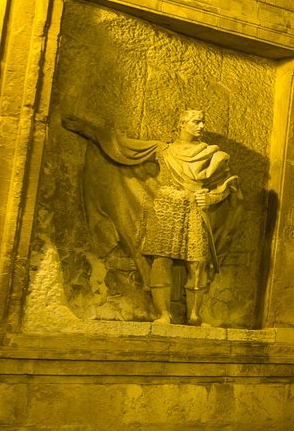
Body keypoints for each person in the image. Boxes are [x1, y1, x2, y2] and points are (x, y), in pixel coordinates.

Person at [63, 108, 238, 324]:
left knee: (197, 263)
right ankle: (163, 313)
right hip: (167, 206)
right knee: (161, 260)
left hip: (195, 208)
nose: (201, 126)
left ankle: (194, 314)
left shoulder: (214, 156)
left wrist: (211, 198)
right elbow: (124, 148)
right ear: (182, 124)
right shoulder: (163, 150)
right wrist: (90, 131)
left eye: (202, 122)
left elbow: (228, 187)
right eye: (195, 122)